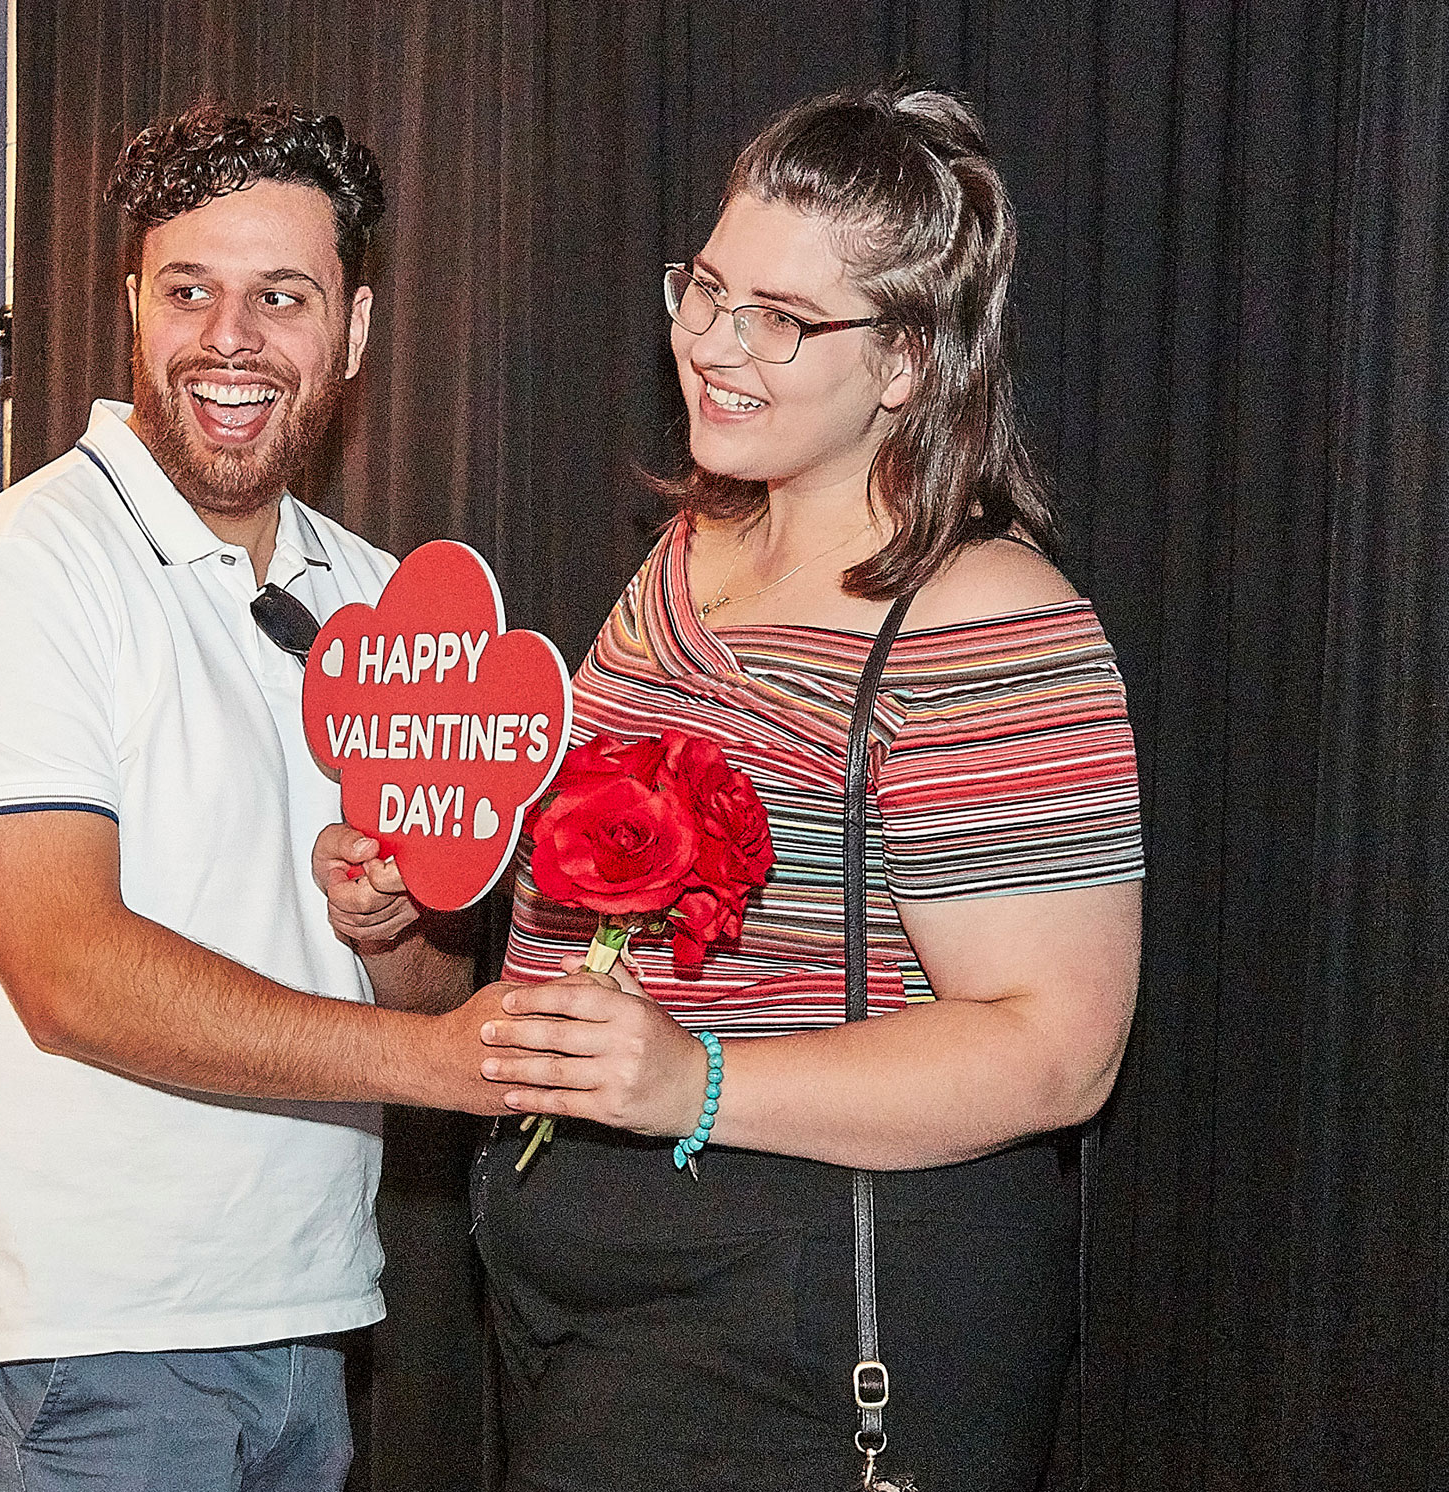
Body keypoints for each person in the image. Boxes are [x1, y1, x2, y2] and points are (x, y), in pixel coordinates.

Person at [457, 82, 1143, 1491]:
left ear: (905, 363)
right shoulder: (681, 559)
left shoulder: (985, 621)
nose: (714, 343)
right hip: (581, 1319)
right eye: (707, 289)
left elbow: (1060, 1048)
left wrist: (695, 1082)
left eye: (782, 318)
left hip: (807, 1350)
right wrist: (415, 897)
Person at [0, 101, 506, 1492]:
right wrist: (440, 1065)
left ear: (353, 330)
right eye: (188, 291)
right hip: (75, 1344)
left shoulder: (387, 602)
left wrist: (393, 925)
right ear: (132, 308)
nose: (230, 338)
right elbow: (73, 975)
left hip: (305, 1317)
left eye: (281, 296)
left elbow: (428, 993)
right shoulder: (17, 575)